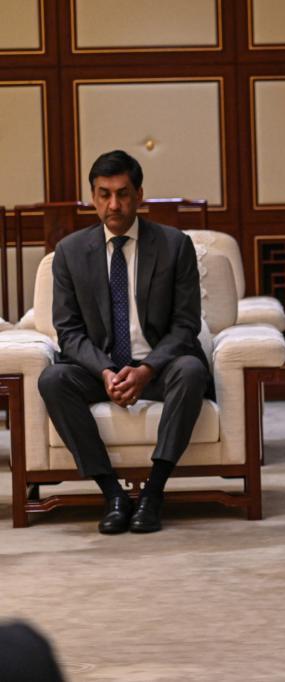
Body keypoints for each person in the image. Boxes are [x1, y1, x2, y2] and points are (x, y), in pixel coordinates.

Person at [38, 150, 211, 535]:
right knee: (52, 380)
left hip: (159, 368)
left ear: (139, 195)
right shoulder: (69, 252)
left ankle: (154, 491)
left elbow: (186, 325)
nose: (113, 204)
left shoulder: (173, 245)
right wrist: (104, 371)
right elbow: (68, 330)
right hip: (100, 369)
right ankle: (112, 492)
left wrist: (146, 368)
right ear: (92, 197)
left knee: (192, 369)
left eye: (122, 193)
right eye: (104, 194)